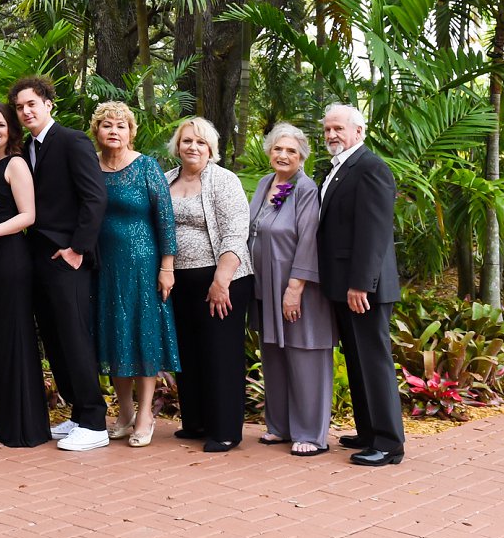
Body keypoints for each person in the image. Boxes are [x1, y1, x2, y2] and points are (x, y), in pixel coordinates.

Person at [9, 76, 108, 453]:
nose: (26, 111)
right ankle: (79, 413)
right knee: (53, 338)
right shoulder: (28, 150)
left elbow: (94, 198)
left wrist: (77, 250)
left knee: (74, 336)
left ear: (49, 103)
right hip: (38, 258)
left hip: (68, 259)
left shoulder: (72, 141)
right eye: (20, 107)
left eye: (32, 104)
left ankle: (95, 421)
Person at [317, 103, 405, 466]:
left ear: (359, 131)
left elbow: (374, 232)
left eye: (339, 128)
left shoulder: (371, 167)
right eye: (327, 130)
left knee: (373, 360)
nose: (332, 135)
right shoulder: (338, 169)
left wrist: (361, 285)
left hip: (364, 287)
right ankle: (368, 431)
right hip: (345, 285)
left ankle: (388, 443)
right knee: (356, 360)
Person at [89, 100, 178, 448]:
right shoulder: (90, 167)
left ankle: (145, 415)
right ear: (96, 131)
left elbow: (165, 219)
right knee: (113, 335)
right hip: (103, 267)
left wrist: (167, 267)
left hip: (142, 265)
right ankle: (124, 413)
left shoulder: (146, 167)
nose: (114, 131)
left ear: (130, 132)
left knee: (141, 336)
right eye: (107, 125)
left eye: (120, 125)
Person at [165, 116, 255, 453]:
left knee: (221, 353)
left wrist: (221, 281)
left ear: (211, 148)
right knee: (189, 351)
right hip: (180, 282)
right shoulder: (166, 180)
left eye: (201, 142)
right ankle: (197, 422)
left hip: (224, 279)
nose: (193, 147)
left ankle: (226, 430)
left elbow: (235, 231)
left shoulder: (224, 181)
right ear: (178, 145)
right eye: (187, 141)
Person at [248, 122, 334, 457]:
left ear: (302, 158)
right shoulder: (265, 184)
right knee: (274, 355)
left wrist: (294, 287)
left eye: (291, 151)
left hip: (295, 288)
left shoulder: (305, 187)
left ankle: (311, 434)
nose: (283, 155)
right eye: (278, 149)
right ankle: (280, 426)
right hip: (264, 286)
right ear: (269, 151)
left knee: (303, 355)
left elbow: (309, 238)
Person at [0, 104, 51, 448]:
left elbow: (28, 215)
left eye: (0, 124)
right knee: (2, 337)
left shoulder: (16, 164)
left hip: (11, 258)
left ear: (11, 130)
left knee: (16, 334)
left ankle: (25, 425)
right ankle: (7, 418)